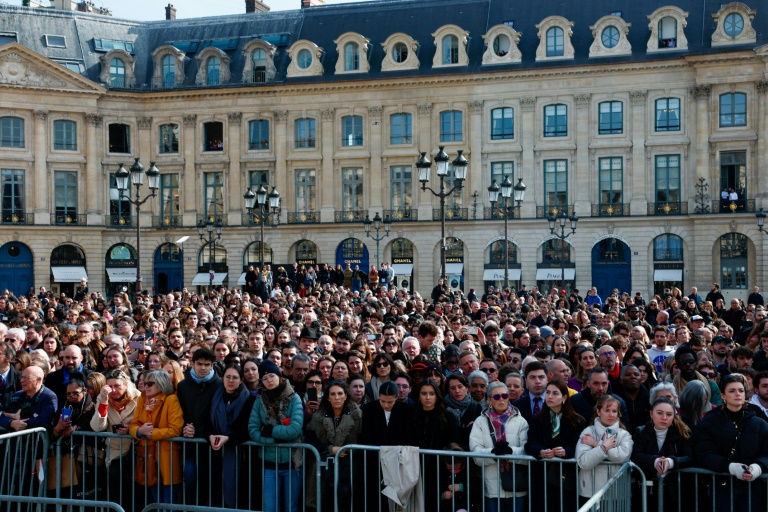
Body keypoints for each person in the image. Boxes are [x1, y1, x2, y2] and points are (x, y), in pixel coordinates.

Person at [692, 374, 768, 512]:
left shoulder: (759, 424)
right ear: (723, 396)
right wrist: (730, 467)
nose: (737, 394)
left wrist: (757, 467)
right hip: (721, 487)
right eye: (732, 391)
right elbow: (703, 453)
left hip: (751, 489)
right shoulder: (709, 422)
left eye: (741, 390)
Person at [248, 359, 304, 512]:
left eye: (271, 376)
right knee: (270, 507)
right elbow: (253, 430)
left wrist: (270, 430)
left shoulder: (294, 398)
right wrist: (275, 439)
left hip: (292, 464)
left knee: (291, 507)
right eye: (264, 378)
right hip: (269, 464)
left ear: (279, 376)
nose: (269, 381)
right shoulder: (259, 401)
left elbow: (295, 429)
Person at [525, 379, 586, 512]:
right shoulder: (537, 420)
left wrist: (566, 451)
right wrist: (541, 451)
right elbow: (530, 444)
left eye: (555, 393)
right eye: (548, 393)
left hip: (566, 478)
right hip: (542, 477)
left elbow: (579, 445)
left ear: (564, 397)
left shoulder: (577, 421)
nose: (550, 396)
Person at [469, 380, 529, 512]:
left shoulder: (521, 421)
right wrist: (493, 453)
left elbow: (527, 452)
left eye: (504, 396)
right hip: (491, 487)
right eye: (496, 397)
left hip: (516, 486)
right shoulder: (480, 421)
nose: (501, 399)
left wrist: (510, 452)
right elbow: (475, 452)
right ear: (490, 400)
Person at [129, 370, 184, 506]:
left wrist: (152, 434)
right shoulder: (142, 399)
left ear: (161, 384)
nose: (145, 386)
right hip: (148, 457)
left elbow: (176, 429)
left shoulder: (171, 400)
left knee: (168, 501)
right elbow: (133, 425)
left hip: (166, 458)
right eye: (144, 383)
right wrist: (139, 431)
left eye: (150, 384)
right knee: (156, 501)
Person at [306, 381, 363, 511]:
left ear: (345, 396)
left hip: (347, 469)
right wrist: (330, 449)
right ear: (328, 397)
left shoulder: (357, 416)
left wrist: (346, 449)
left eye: (340, 394)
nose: (337, 397)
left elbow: (361, 440)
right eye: (333, 394)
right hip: (323, 468)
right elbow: (312, 441)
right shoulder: (318, 418)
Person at [176, 348, 222, 505]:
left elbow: (219, 415)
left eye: (207, 364)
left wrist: (200, 431)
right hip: (190, 442)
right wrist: (184, 428)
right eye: (199, 364)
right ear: (192, 363)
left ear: (212, 365)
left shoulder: (219, 385)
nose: (203, 368)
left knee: (211, 483)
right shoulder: (183, 386)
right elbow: (179, 412)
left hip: (212, 443)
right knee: (190, 477)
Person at [90, 369, 140, 509]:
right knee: (114, 480)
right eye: (110, 386)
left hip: (137, 448)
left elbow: (145, 420)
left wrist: (131, 428)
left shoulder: (138, 397)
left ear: (126, 385)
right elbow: (97, 427)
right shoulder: (103, 398)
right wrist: (104, 402)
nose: (113, 390)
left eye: (117, 386)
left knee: (136, 487)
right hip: (115, 451)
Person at [209, 364, 257, 509]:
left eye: (235, 377)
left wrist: (229, 439)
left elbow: (247, 430)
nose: (231, 380)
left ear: (241, 380)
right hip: (216, 453)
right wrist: (210, 435)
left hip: (240, 456)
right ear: (222, 378)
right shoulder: (215, 397)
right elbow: (208, 423)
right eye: (228, 377)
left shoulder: (249, 400)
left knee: (239, 494)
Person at [631, 397, 691, 512]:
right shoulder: (640, 432)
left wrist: (671, 462)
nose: (664, 418)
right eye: (659, 413)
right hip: (646, 492)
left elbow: (690, 457)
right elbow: (635, 455)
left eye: (669, 414)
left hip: (673, 493)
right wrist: (654, 461)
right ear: (651, 414)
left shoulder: (682, 434)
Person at [575, 395, 633, 503]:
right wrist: (603, 447)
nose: (611, 415)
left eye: (614, 411)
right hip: (589, 492)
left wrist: (597, 444)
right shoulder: (588, 432)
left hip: (617, 494)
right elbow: (583, 461)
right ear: (598, 412)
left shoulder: (624, 435)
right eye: (607, 410)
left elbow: (622, 456)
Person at [445, 373, 483, 450]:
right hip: (449, 454)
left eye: (460, 386)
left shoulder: (476, 408)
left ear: (467, 388)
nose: (457, 391)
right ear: (449, 390)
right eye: (453, 388)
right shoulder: (443, 408)